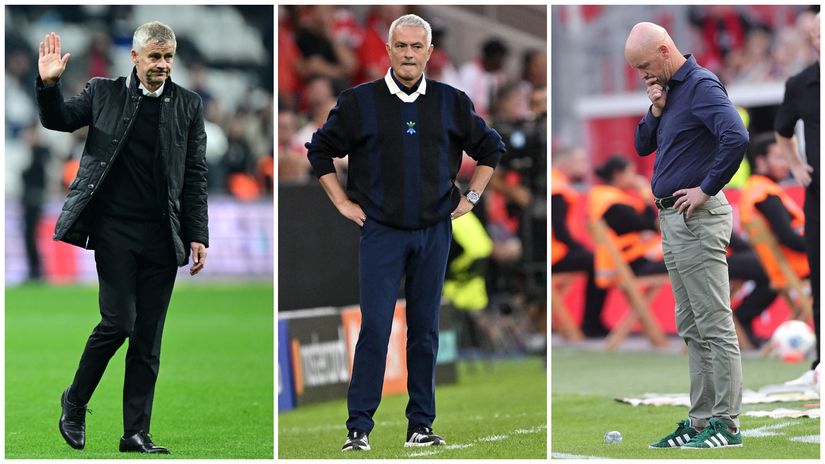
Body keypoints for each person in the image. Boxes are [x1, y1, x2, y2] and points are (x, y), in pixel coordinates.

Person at [305, 14, 504, 452]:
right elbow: (319, 149)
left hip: (434, 231)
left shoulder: (452, 101)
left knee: (425, 330)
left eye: (417, 46)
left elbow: (491, 147)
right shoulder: (359, 101)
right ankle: (358, 428)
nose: (409, 54)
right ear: (389, 51)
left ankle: (420, 425)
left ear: (430, 53)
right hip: (382, 232)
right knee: (375, 326)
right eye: (401, 46)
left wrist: (471, 198)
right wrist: (340, 201)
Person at [36, 22, 208, 454]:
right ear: (134, 57)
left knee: (148, 340)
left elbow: (194, 176)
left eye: (168, 57)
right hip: (114, 230)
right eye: (154, 57)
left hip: (161, 235)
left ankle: (135, 433)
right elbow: (57, 120)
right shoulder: (102, 93)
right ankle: (74, 401)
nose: (163, 65)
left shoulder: (189, 105)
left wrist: (197, 234)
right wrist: (47, 84)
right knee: (119, 323)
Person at [625, 22, 749, 449]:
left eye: (644, 65)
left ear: (664, 50)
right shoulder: (670, 93)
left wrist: (707, 187)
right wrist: (655, 109)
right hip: (674, 220)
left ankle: (726, 425)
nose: (643, 74)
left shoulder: (700, 85)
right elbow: (642, 145)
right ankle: (700, 422)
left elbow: (736, 136)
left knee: (714, 323)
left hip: (696, 217)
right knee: (693, 327)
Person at [774, 12, 819, 387]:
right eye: (814, 34)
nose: (817, 39)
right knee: (820, 277)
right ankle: (821, 365)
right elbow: (782, 130)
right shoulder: (801, 84)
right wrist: (796, 165)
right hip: (818, 192)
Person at [739, 133, 810, 317]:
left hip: (787, 265)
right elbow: (788, 237)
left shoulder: (756, 189)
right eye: (779, 158)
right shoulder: (765, 194)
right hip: (798, 266)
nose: (786, 164)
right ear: (761, 161)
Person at [550, 147, 608, 337]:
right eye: (580, 161)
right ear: (565, 161)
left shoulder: (557, 183)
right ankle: (591, 323)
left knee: (594, 260)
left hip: (555, 252)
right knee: (598, 262)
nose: (584, 166)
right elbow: (558, 227)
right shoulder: (557, 187)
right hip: (555, 255)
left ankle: (591, 323)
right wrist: (578, 248)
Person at [588, 155, 667, 289]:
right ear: (618, 174)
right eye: (631, 172)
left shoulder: (605, 197)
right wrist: (645, 192)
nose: (634, 178)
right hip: (632, 264)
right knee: (686, 260)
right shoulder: (612, 202)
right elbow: (650, 224)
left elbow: (646, 226)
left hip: (627, 261)